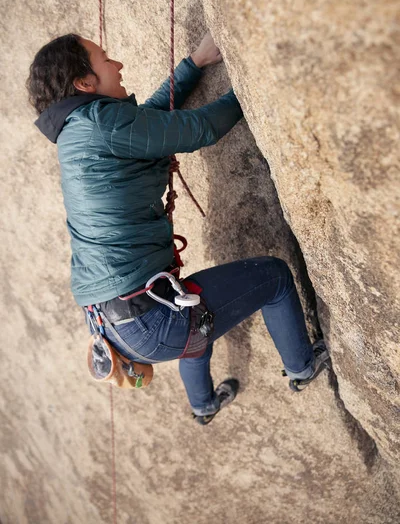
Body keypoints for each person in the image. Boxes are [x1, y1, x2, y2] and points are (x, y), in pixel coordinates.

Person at [27, 31, 330, 425]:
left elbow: (151, 122)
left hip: (114, 328)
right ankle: (303, 368)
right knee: (272, 278)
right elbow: (201, 128)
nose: (117, 65)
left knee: (191, 321)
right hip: (149, 323)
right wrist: (259, 79)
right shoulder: (99, 123)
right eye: (105, 60)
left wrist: (194, 64)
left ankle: (203, 406)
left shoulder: (79, 129)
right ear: (84, 83)